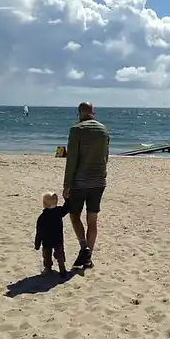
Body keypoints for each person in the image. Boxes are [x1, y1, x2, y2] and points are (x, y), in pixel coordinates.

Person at [63, 102, 110, 270]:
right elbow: (106, 156)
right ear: (93, 112)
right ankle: (88, 258)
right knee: (92, 220)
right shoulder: (104, 130)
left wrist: (66, 185)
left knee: (74, 215)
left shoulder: (76, 130)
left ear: (79, 113)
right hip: (99, 182)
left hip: (79, 182)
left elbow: (72, 160)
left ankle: (84, 248)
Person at [34, 192, 70, 278]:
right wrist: (67, 199)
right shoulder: (59, 211)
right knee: (60, 254)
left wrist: (37, 244)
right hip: (58, 239)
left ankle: (48, 268)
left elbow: (39, 232)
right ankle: (62, 270)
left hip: (47, 241)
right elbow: (67, 208)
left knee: (47, 255)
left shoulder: (42, 217)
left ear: (44, 204)